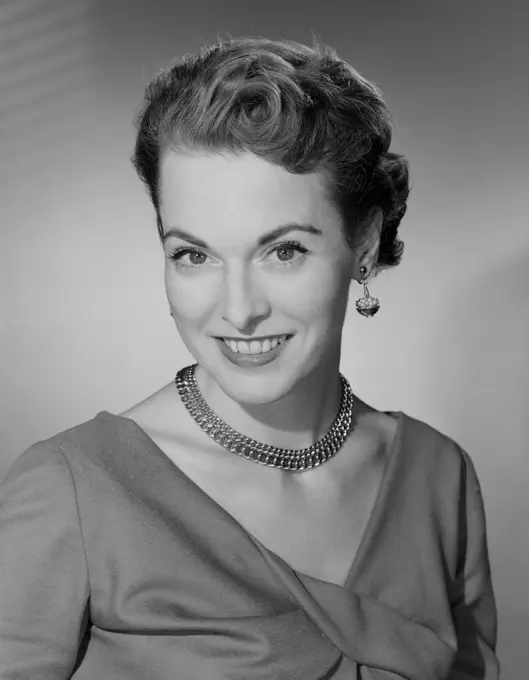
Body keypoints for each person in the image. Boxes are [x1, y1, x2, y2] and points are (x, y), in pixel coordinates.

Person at [0, 35, 499, 679]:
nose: (237, 310)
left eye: (283, 250)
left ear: (365, 241)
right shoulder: (70, 489)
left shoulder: (440, 479)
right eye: (194, 255)